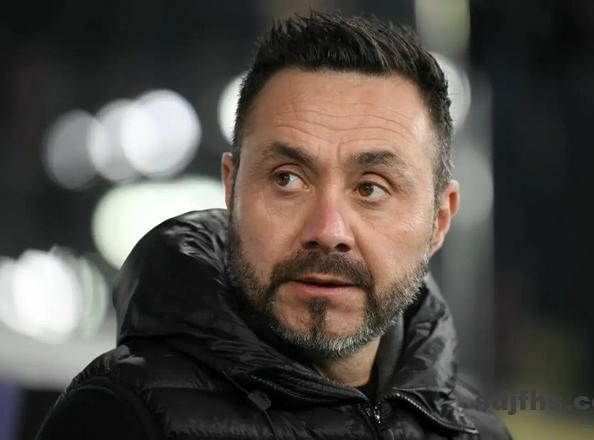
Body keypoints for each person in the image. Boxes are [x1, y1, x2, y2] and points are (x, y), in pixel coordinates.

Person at [36, 11, 510, 440]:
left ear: (439, 220)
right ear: (232, 188)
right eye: (287, 179)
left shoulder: (477, 433)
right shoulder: (120, 417)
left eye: (371, 188)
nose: (328, 229)